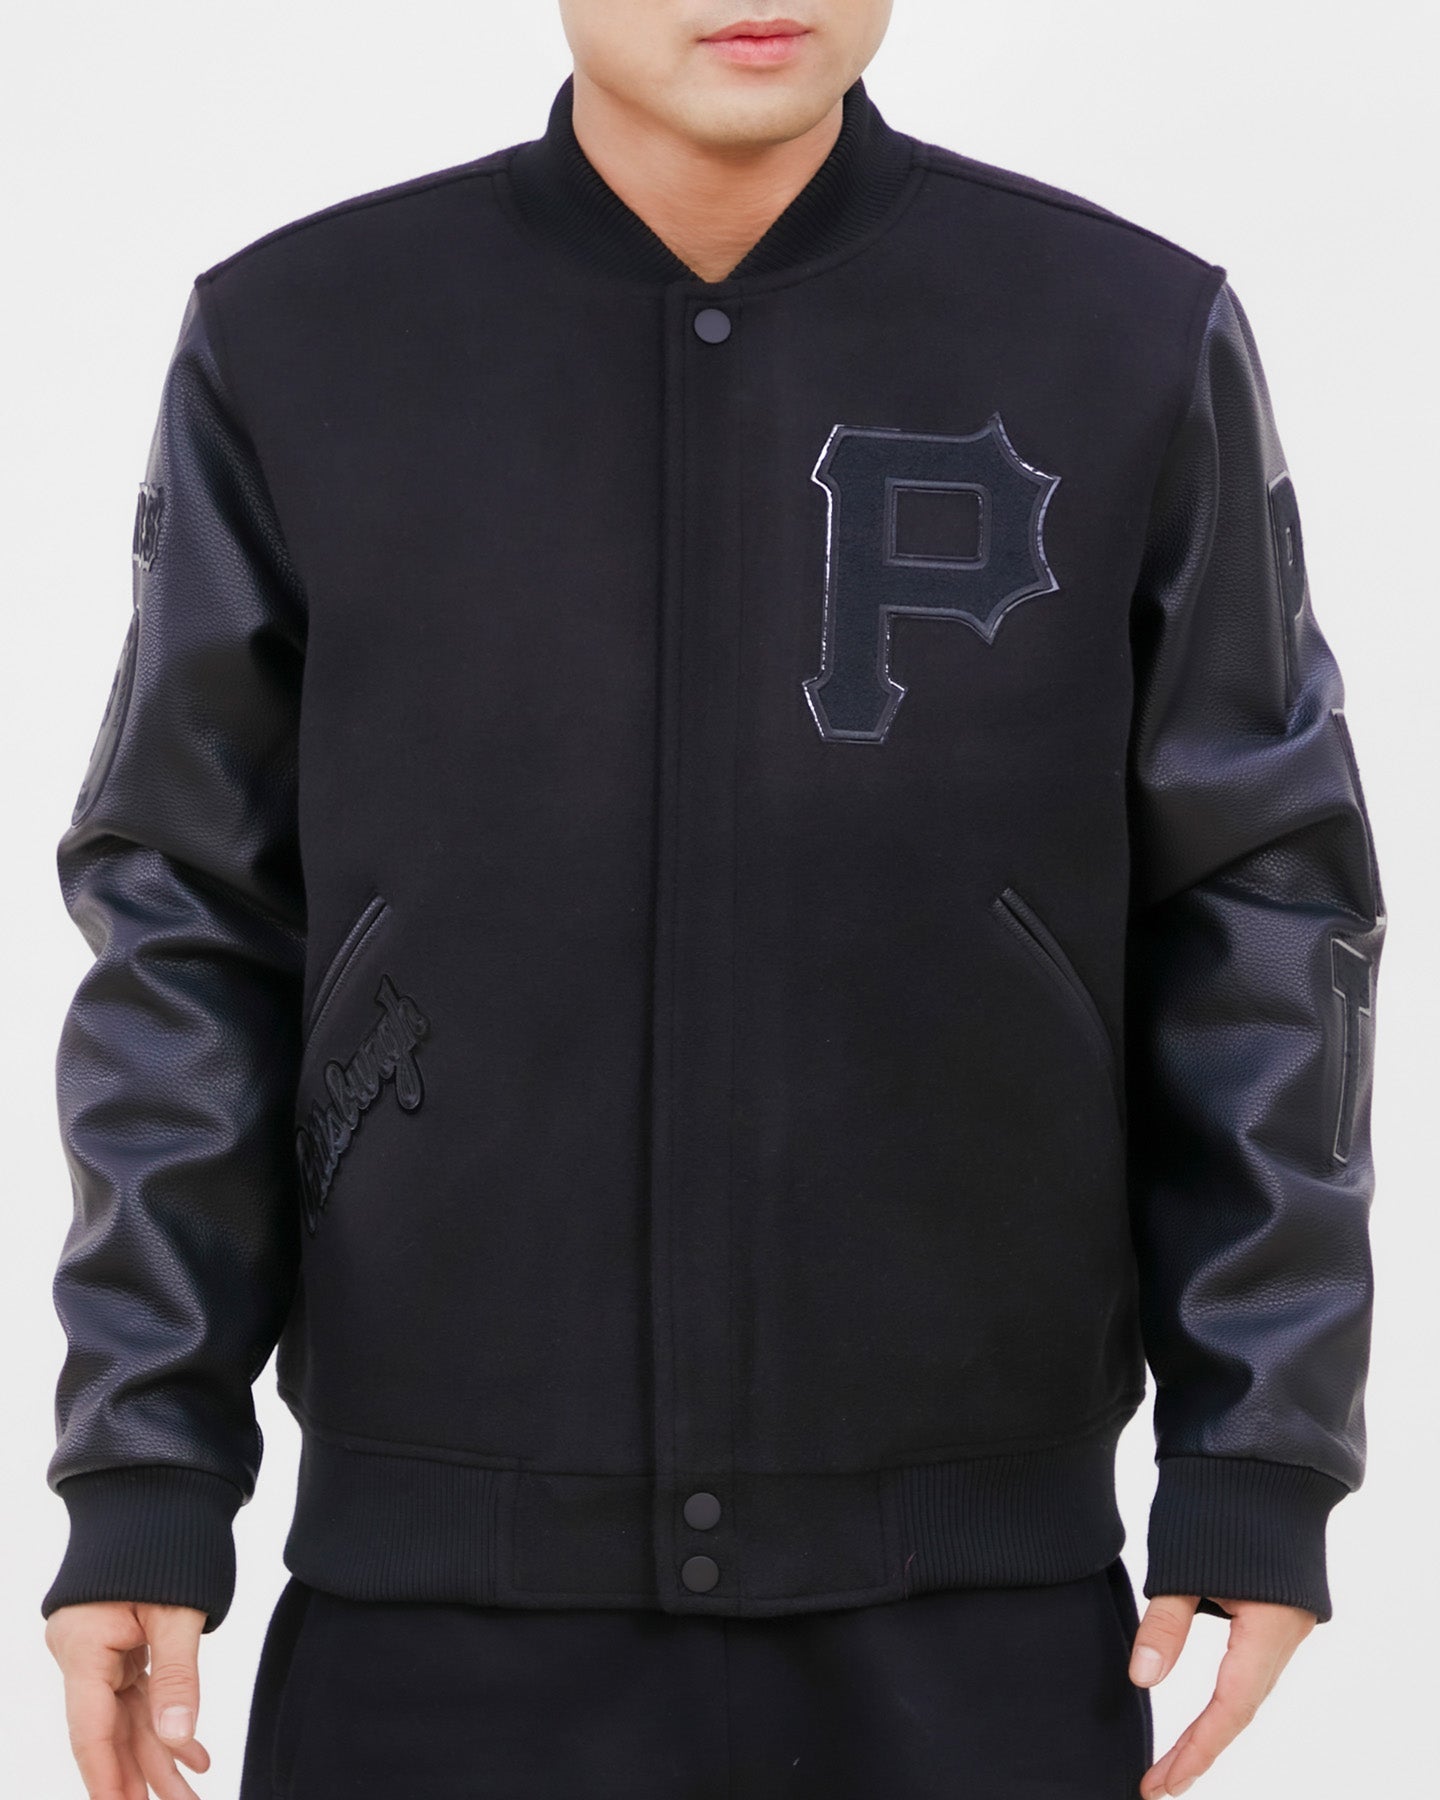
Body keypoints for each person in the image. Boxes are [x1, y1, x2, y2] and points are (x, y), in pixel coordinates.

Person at [40, 4, 1386, 1797]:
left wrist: (1261, 1447)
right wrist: (144, 1466)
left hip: (972, 1624)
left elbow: (1264, 903)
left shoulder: (1123, 331)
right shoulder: (304, 339)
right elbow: (187, 922)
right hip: (433, 1627)